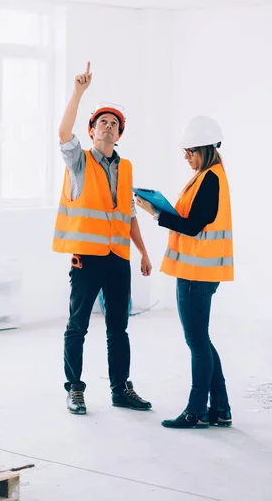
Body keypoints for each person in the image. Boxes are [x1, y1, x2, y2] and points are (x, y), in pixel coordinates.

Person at [53, 61, 153, 415]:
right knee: (77, 325)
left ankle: (119, 389)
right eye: (102, 123)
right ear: (92, 131)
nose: (108, 127)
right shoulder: (79, 161)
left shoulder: (125, 168)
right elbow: (63, 132)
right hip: (87, 258)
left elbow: (128, 216)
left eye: (114, 124)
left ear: (119, 135)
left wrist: (142, 252)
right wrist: (79, 92)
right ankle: (74, 389)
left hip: (118, 258)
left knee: (118, 329)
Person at [136, 116, 233, 429]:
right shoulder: (207, 175)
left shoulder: (210, 179)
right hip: (198, 271)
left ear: (204, 149)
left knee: (197, 342)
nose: (186, 156)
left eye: (190, 151)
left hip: (197, 274)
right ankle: (220, 409)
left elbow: (192, 226)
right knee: (201, 340)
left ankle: (196, 411)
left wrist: (155, 213)